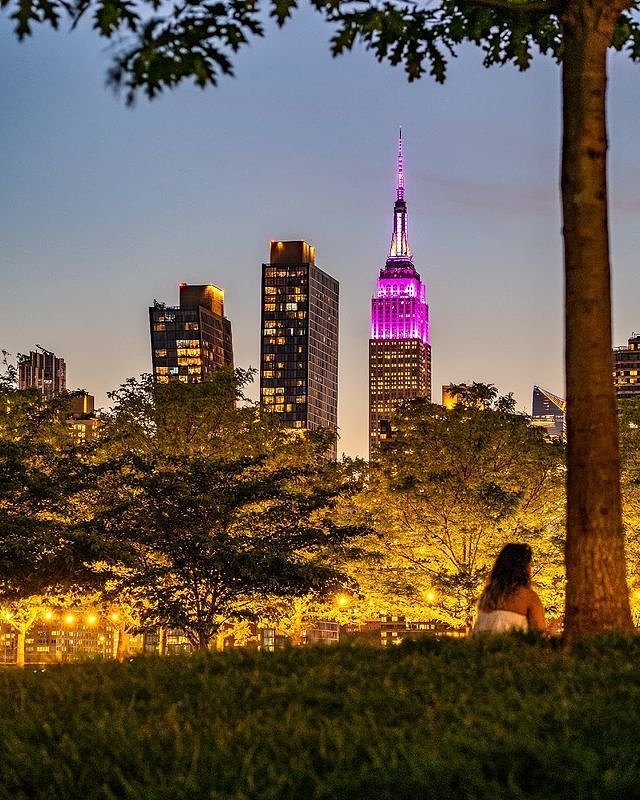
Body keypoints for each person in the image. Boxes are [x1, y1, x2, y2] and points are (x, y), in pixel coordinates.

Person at [474, 543, 546, 634]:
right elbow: (540, 634)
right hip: (513, 647)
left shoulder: (486, 597)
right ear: (524, 568)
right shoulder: (529, 597)